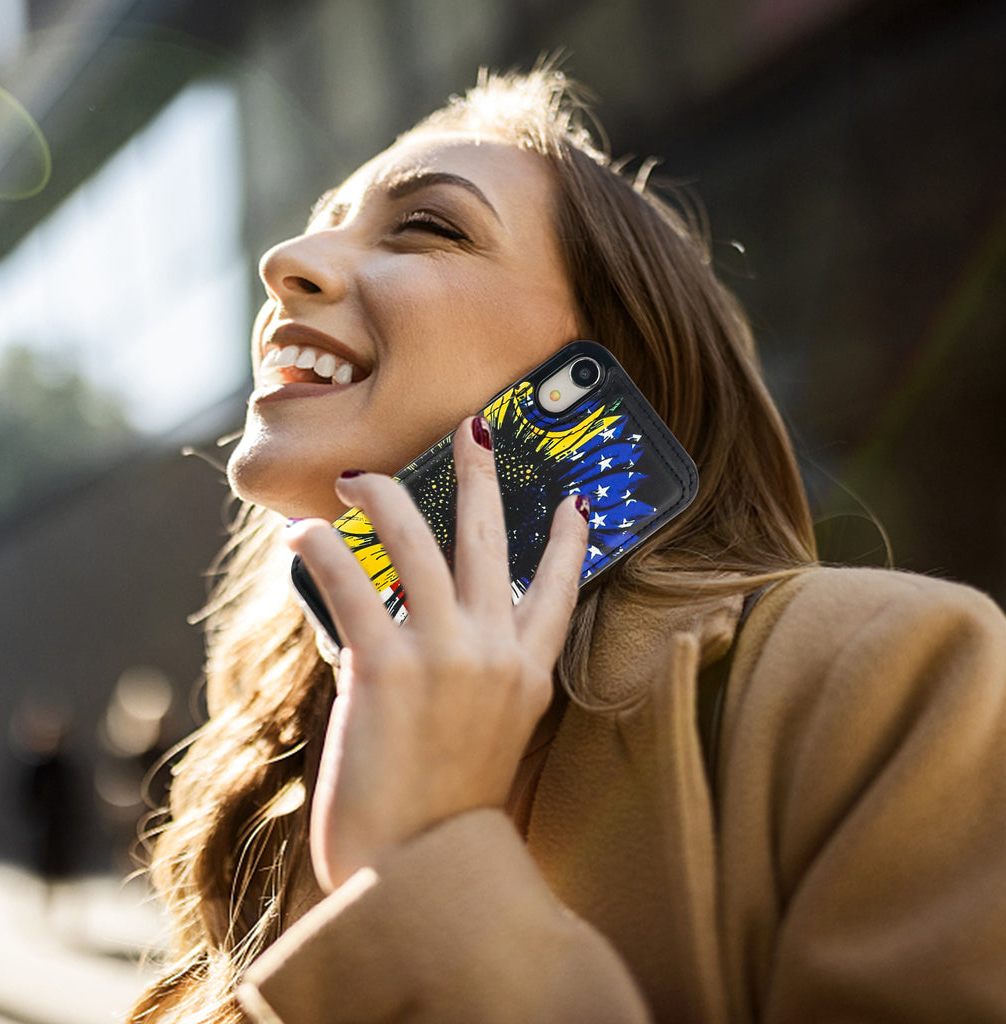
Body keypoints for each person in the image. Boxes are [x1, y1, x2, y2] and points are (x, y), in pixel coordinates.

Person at [129, 67, 1006, 1024]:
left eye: (428, 226)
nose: (287, 259)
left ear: (614, 367)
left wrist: (432, 857)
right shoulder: (275, 744)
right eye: (322, 221)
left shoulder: (886, 677)